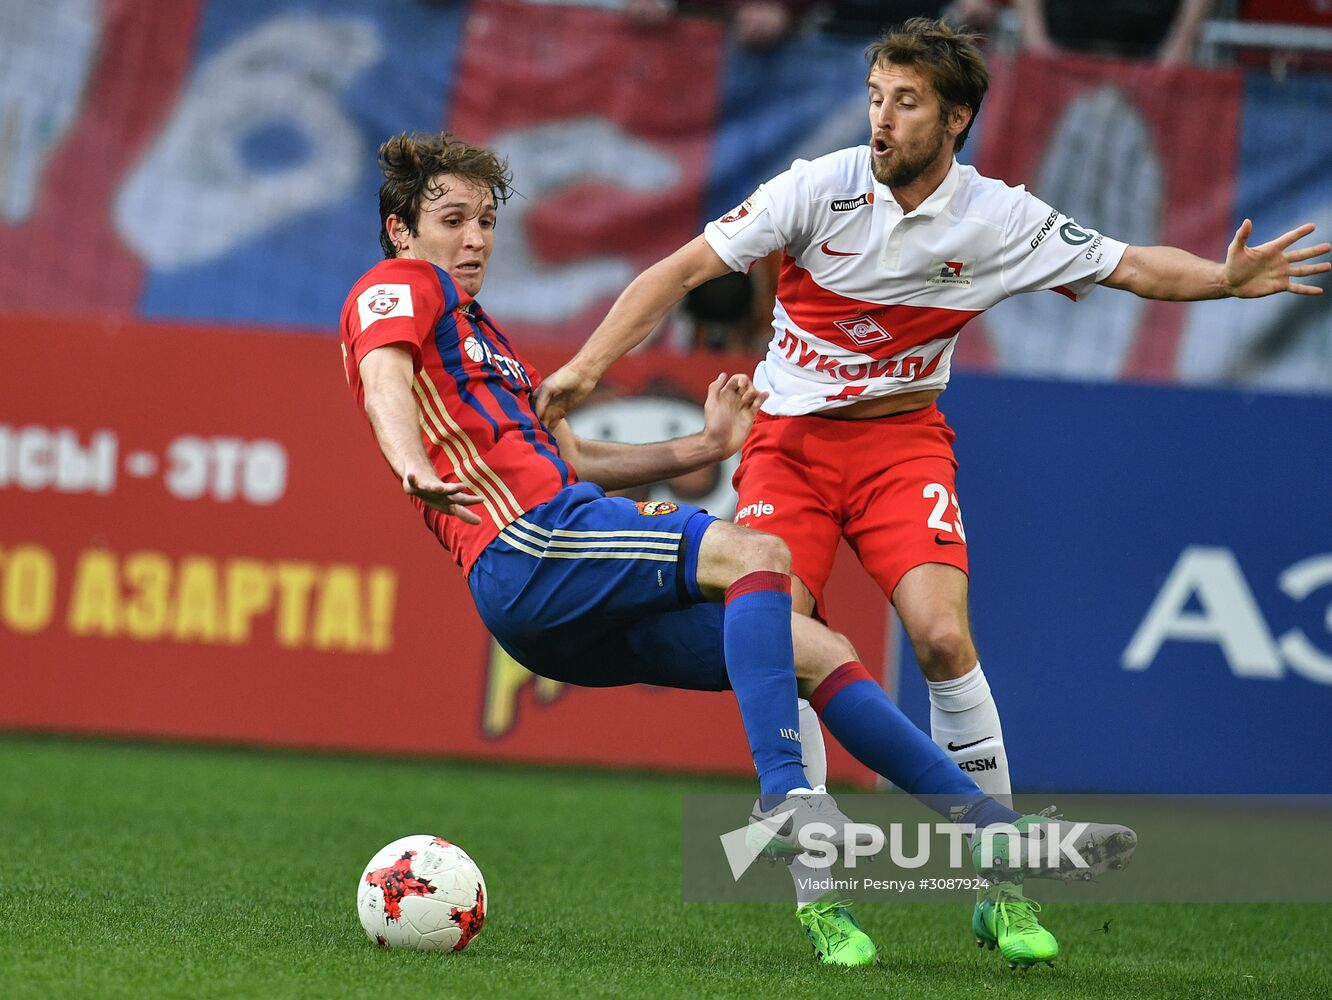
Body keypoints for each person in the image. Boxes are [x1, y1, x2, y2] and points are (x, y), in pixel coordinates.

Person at [532, 16, 1329, 968]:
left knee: (944, 637)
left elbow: (1129, 265)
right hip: (788, 446)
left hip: (901, 447)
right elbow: (685, 268)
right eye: (876, 96)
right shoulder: (816, 189)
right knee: (787, 640)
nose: (881, 119)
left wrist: (1226, 281)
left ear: (954, 119)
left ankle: (1001, 894)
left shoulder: (998, 220)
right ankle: (822, 901)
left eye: (905, 103)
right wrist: (586, 366)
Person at [340, 130, 1136, 970]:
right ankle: (789, 797)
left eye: (488, 221)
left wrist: (700, 450)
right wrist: (407, 462)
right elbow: (384, 375)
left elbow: (568, 457)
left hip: (547, 596)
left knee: (818, 649)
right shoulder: (399, 285)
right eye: (452, 219)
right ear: (401, 229)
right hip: (533, 544)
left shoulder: (479, 334)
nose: (474, 239)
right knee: (759, 555)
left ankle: (987, 835)